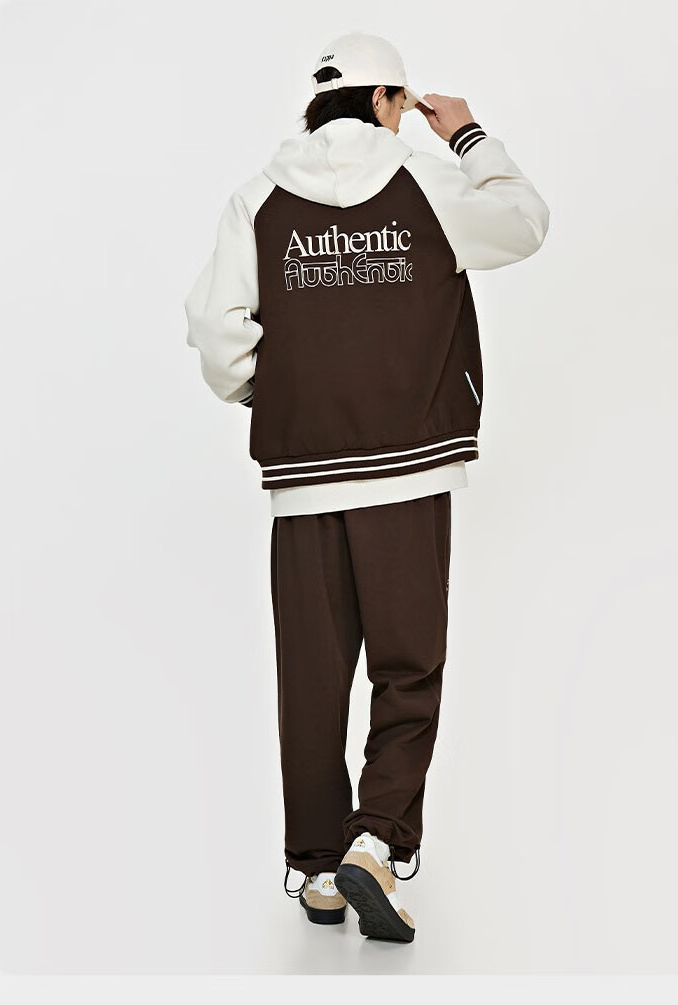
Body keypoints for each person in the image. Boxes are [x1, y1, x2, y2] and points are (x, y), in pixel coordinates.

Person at [184, 31, 550, 943]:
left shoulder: (257, 198)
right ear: (387, 100)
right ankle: (375, 841)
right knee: (408, 664)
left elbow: (217, 332)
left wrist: (281, 394)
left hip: (304, 476)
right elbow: (524, 220)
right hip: (410, 466)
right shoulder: (426, 181)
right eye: (402, 104)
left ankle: (317, 867)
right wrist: (465, 136)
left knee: (312, 676)